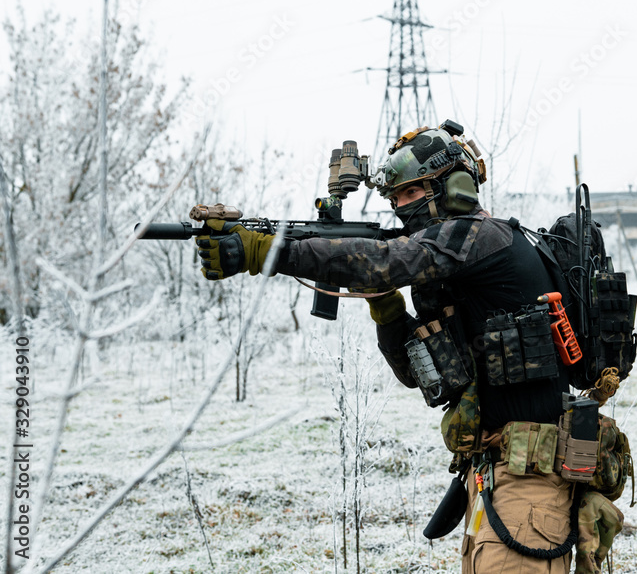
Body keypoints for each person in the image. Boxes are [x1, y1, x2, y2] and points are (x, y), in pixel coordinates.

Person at [193, 122, 606, 573]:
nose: (402, 208)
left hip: (533, 481)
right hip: (494, 473)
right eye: (396, 199)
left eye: (412, 194)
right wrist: (387, 311)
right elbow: (420, 371)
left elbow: (386, 260)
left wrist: (266, 252)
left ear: (455, 186)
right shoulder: (453, 269)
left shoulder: (481, 237)